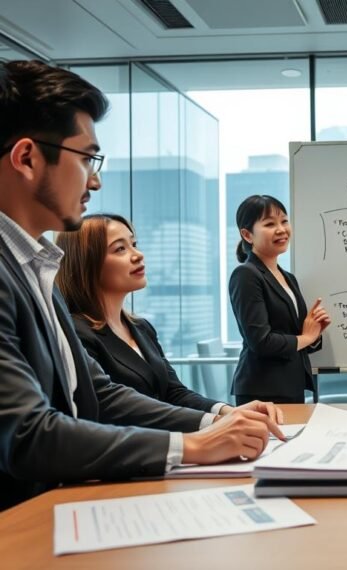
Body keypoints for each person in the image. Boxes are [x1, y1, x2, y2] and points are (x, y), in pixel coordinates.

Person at [0, 60, 283, 510]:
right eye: (86, 158)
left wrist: (215, 419)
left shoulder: (37, 269)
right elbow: (28, 434)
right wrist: (195, 446)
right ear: (28, 158)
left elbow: (102, 395)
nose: (95, 179)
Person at [55, 213, 235, 415]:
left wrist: (228, 411)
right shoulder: (75, 333)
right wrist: (212, 423)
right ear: (86, 262)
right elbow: (111, 410)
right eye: (120, 249)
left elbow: (174, 392)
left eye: (134, 244)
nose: (138, 255)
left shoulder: (141, 328)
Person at [229, 195, 330, 404]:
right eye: (269, 224)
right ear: (247, 235)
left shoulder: (288, 278)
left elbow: (296, 335)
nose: (281, 229)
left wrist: (314, 332)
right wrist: (307, 338)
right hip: (262, 391)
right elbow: (261, 341)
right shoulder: (246, 275)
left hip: (291, 385)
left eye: (284, 221)